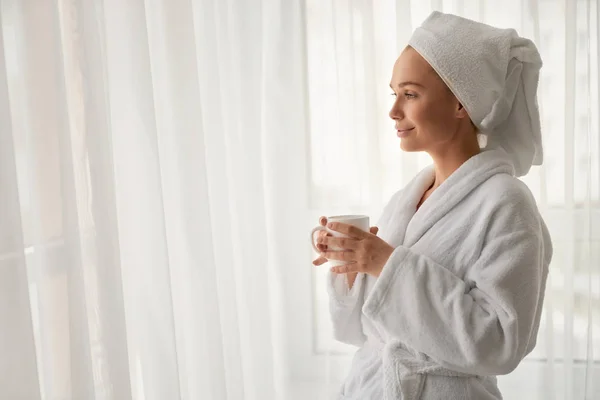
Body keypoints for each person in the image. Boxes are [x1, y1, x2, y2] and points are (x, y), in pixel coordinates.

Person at [312, 11, 553, 400]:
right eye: (395, 94)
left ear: (461, 102)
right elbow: (359, 331)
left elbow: (501, 342)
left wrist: (385, 264)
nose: (393, 112)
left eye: (410, 94)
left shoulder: (507, 203)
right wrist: (353, 267)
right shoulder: (405, 200)